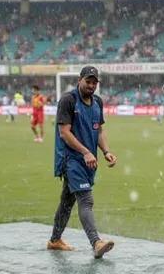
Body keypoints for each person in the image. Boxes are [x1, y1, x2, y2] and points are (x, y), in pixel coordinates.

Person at [48, 65, 117, 258]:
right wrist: (86, 151)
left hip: (88, 161)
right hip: (70, 159)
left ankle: (54, 240)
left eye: (94, 83)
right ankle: (96, 243)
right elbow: (64, 132)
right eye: (88, 81)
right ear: (80, 80)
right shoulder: (68, 101)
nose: (91, 86)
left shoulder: (97, 102)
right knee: (86, 199)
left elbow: (99, 131)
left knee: (67, 202)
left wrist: (106, 152)